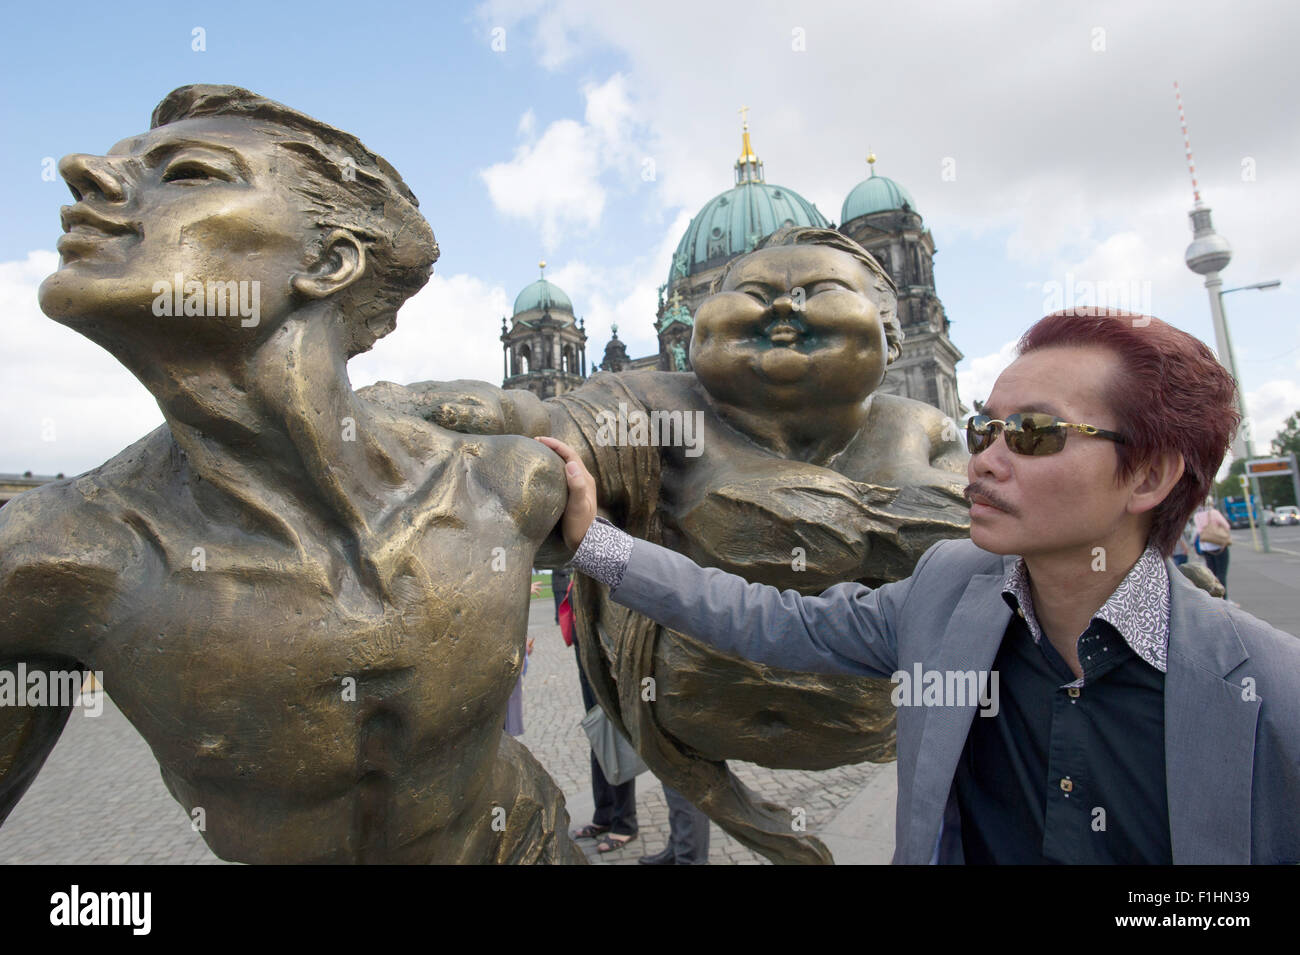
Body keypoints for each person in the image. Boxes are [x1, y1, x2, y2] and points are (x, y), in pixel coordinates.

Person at [0, 85, 583, 864]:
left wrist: (598, 538)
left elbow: (643, 512)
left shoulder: (508, 486)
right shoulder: (51, 560)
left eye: (186, 173)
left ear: (330, 261)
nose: (81, 171)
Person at [539, 307, 1300, 864]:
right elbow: (769, 620)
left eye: (1033, 434)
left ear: (1152, 475)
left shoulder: (1273, 692)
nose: (986, 460)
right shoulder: (948, 590)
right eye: (982, 428)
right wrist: (593, 541)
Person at [367, 226, 972, 863]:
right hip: (688, 717)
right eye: (749, 292)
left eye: (816, 289)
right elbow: (548, 426)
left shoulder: (921, 435)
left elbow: (832, 617)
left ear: (892, 328)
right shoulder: (657, 404)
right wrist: (431, 417)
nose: (783, 306)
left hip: (881, 722)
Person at [1193, 501, 1233, 596]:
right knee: (1221, 573)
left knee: (1212, 573)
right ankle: (1224, 596)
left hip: (1205, 547)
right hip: (1218, 545)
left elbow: (1199, 531)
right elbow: (1227, 526)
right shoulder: (1214, 513)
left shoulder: (1197, 516)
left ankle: (1215, 597)